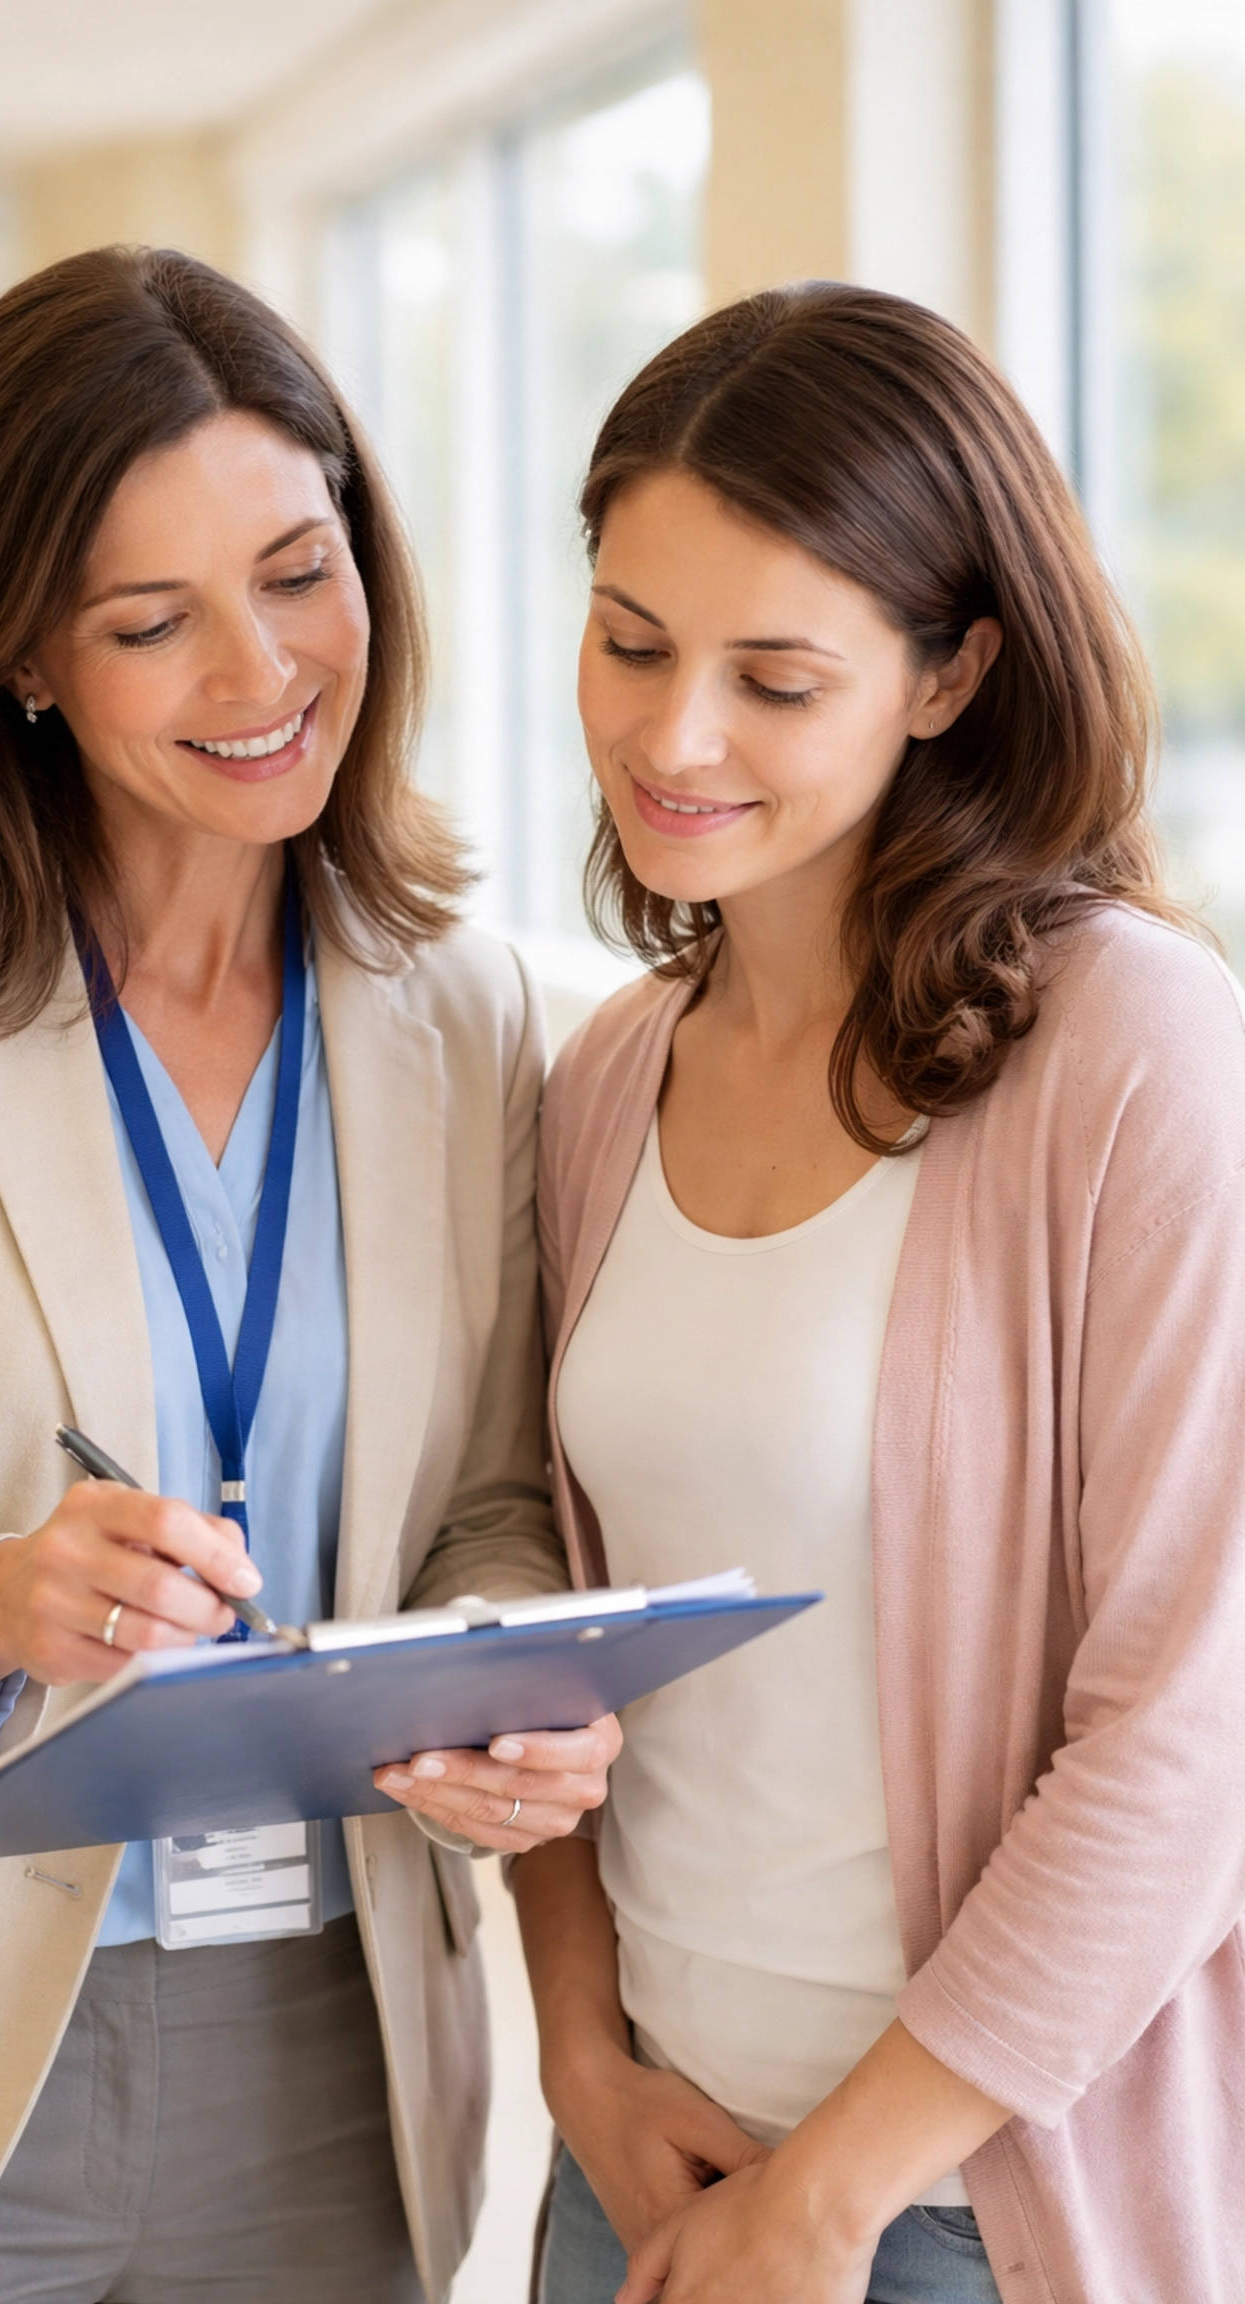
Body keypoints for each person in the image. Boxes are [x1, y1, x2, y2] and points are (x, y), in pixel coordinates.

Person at [0, 246, 619, 2304]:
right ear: (23, 652)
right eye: (152, 622)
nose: (260, 670)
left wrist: (513, 1688)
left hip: (331, 2045)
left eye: (302, 573)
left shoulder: (464, 1014)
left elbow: (480, 1502)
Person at [506, 283, 1245, 2303]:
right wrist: (581, 2056)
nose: (674, 737)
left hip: (962, 2211)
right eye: (632, 643)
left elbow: (1195, 1733)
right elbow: (573, 1638)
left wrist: (832, 2197)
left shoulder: (1137, 1053)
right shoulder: (608, 1075)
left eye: (777, 677)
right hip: (645, 2161)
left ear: (949, 675)